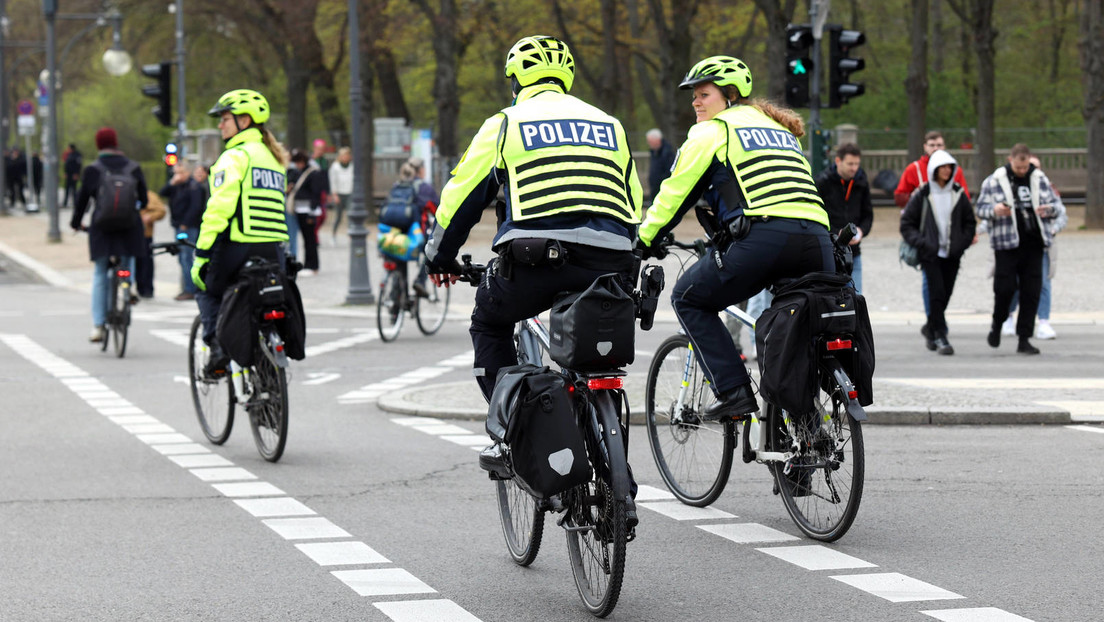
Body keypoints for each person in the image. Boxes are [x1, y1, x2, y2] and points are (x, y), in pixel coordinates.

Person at [423, 35, 642, 406]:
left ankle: (510, 428)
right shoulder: (610, 125)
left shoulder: (507, 122)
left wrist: (439, 257)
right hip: (613, 261)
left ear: (515, 82)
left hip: (538, 261)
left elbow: (461, 197)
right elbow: (632, 201)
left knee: (489, 323)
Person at [636, 55, 832, 419]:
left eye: (704, 94)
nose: (695, 101)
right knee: (790, 326)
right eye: (693, 95)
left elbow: (675, 193)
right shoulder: (781, 131)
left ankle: (735, 392)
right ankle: (798, 445)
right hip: (817, 239)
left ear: (729, 96)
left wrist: (644, 240)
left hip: (765, 238)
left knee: (689, 298)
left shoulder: (715, 131)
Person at [191, 89, 290, 374]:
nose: (220, 125)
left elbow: (218, 209)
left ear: (244, 120)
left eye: (224, 118)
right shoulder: (274, 160)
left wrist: (201, 255)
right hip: (273, 249)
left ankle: (218, 351)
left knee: (205, 289)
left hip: (239, 246)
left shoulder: (234, 156)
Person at [976, 144, 1065, 355]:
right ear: (1010, 160)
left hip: (1034, 243)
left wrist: (1048, 210)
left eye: (1025, 167)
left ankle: (1024, 338)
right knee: (1004, 289)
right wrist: (995, 210)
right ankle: (997, 325)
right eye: (1019, 167)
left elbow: (1058, 207)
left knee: (1031, 292)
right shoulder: (994, 180)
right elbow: (980, 208)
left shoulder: (1039, 178)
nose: (1023, 171)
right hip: (1006, 244)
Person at [70, 127, 149, 343]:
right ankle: (128, 284)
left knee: (100, 272)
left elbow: (82, 201)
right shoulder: (133, 167)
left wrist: (76, 223)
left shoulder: (93, 169)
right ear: (116, 143)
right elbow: (145, 199)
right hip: (128, 226)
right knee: (127, 257)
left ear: (99, 145)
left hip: (102, 228)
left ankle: (98, 326)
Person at [899, 149, 977, 355]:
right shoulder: (923, 193)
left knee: (946, 294)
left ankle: (930, 328)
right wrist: (923, 243)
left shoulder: (958, 193)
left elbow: (970, 222)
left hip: (952, 253)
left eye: (949, 167)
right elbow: (907, 224)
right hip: (930, 254)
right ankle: (941, 336)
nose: (946, 170)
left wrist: (962, 243)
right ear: (934, 169)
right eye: (942, 167)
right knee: (936, 293)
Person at [895, 131, 971, 319]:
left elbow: (965, 204)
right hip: (927, 237)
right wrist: (916, 199)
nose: (936, 149)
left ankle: (934, 323)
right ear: (925, 147)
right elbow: (900, 196)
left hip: (950, 240)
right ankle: (935, 322)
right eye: (932, 145)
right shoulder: (915, 170)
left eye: (939, 145)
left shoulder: (956, 176)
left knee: (944, 288)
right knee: (932, 285)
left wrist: (963, 238)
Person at [1002, 155, 1066, 340]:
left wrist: (1053, 228)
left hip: (1041, 244)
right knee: (1015, 283)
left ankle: (1043, 321)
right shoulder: (1010, 185)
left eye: (1035, 168)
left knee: (1043, 283)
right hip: (1017, 244)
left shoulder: (1047, 187)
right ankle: (1009, 316)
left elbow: (1061, 212)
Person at [815, 143, 873, 294]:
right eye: (850, 164)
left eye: (857, 164)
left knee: (856, 297)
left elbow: (868, 214)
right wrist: (836, 233)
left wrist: (861, 231)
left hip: (854, 253)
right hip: (829, 251)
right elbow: (817, 217)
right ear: (838, 161)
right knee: (831, 298)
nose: (854, 168)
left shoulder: (861, 181)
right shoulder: (823, 182)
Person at [160, 160, 206, 300]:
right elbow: (162, 193)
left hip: (188, 227)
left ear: (187, 172)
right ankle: (187, 287)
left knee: (187, 258)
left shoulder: (194, 187)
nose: (177, 176)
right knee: (181, 258)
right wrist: (171, 183)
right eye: (175, 173)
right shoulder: (177, 186)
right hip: (178, 225)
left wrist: (185, 224)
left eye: (180, 173)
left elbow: (196, 207)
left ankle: (190, 289)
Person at [287, 150, 324, 275]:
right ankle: (310, 264)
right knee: (307, 238)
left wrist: (312, 211)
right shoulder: (302, 172)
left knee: (310, 239)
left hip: (308, 210)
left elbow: (315, 193)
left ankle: (312, 265)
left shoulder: (312, 173)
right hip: (301, 209)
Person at [134, 190, 167, 298]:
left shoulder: (149, 195)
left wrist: (150, 216)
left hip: (144, 234)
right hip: (127, 234)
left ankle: (146, 289)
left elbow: (161, 210)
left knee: (146, 262)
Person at [327, 146, 354, 243]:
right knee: (338, 217)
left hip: (349, 193)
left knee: (350, 215)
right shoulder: (335, 167)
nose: (345, 157)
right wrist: (334, 194)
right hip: (339, 194)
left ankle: (351, 236)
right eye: (343, 155)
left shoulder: (352, 166)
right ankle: (333, 235)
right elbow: (333, 181)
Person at [646, 128, 676, 202]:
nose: (649, 144)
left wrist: (659, 182)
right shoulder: (654, 152)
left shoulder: (667, 153)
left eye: (650, 141)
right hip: (655, 190)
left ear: (657, 140)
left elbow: (669, 172)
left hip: (663, 191)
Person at [63, 144, 83, 208]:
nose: (67, 149)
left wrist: (77, 173)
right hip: (68, 175)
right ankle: (65, 203)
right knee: (67, 189)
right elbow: (66, 164)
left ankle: (75, 203)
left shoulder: (77, 155)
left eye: (68, 148)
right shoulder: (69, 154)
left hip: (74, 175)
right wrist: (65, 173)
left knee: (74, 190)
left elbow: (79, 165)